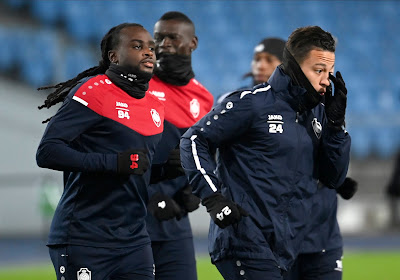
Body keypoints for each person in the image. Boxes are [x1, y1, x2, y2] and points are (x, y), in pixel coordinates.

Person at [180, 26, 351, 279]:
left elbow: (333, 177)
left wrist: (336, 127)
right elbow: (193, 140)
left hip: (286, 245)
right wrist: (213, 197)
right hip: (244, 239)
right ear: (294, 66)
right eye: (318, 71)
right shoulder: (251, 102)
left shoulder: (317, 114)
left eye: (328, 71)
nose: (326, 80)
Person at [36, 23, 169, 280]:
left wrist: (166, 169)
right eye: (137, 46)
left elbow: (137, 169)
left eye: (151, 47)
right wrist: (113, 163)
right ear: (114, 56)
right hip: (84, 237)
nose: (148, 52)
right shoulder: (93, 91)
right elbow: (47, 152)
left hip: (134, 239)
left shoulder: (155, 105)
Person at [236, 36, 359, 280]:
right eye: (257, 59)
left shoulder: (321, 106)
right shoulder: (243, 105)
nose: (260, 65)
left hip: (320, 234)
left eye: (268, 59)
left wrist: (335, 176)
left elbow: (329, 162)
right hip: (274, 236)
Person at [145, 11, 214, 280]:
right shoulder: (140, 87)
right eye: (158, 38)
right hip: (134, 219)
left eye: (172, 38)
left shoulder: (205, 99)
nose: (163, 45)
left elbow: (204, 155)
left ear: (193, 43)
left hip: (175, 224)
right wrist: (149, 196)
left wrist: (195, 191)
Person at [386, 151, 400, 229]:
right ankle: (394, 220)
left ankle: (394, 221)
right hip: (395, 184)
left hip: (396, 183)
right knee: (391, 194)